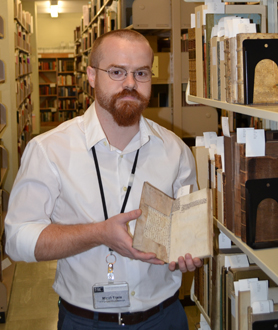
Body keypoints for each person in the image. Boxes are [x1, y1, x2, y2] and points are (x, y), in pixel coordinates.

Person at [5, 29, 203, 329]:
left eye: (141, 73)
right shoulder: (48, 150)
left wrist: (189, 253)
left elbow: (190, 230)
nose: (130, 84)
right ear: (91, 76)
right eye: (117, 72)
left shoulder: (174, 150)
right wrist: (98, 234)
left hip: (164, 317)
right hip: (86, 321)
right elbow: (18, 240)